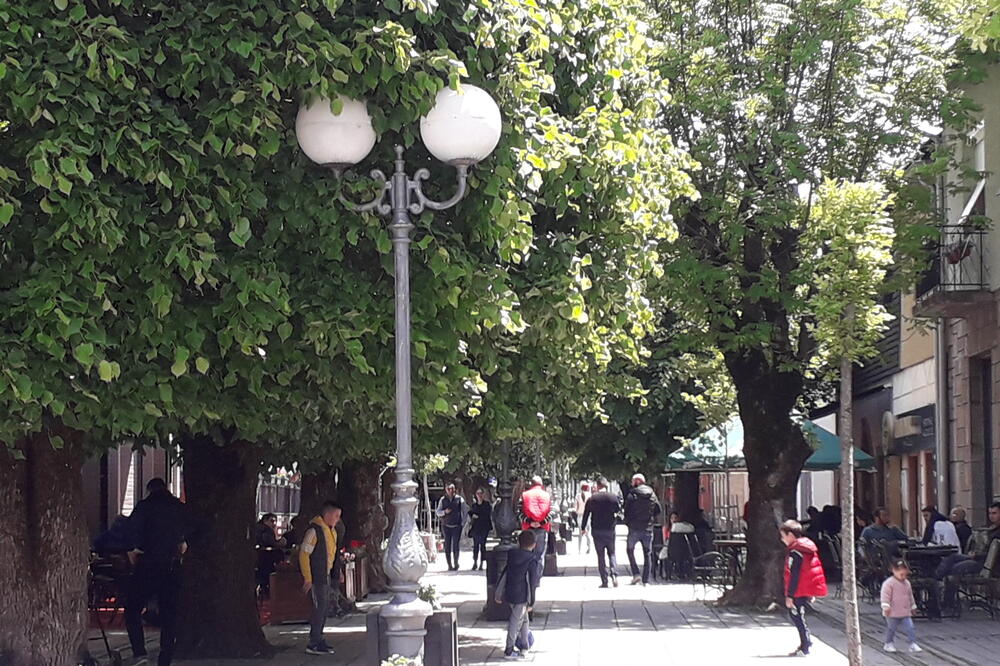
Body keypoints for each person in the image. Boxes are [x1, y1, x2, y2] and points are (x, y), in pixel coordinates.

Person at [124, 478, 192, 666]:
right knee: (170, 612)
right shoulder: (178, 507)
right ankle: (166, 655)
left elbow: (130, 532)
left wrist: (133, 551)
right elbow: (189, 532)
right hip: (171, 564)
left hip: (148, 563)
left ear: (150, 490)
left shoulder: (144, 507)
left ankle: (139, 652)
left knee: (132, 608)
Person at [298, 501, 342, 656]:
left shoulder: (332, 531)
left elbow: (332, 554)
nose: (337, 519)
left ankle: (319, 638)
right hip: (316, 576)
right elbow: (304, 554)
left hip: (326, 574)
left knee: (324, 608)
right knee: (319, 608)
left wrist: (337, 572)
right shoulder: (314, 531)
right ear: (327, 515)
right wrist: (308, 578)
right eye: (336, 516)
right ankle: (314, 642)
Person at [780, 519, 827, 658]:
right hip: (804, 588)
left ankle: (805, 645)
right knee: (799, 616)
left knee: (796, 617)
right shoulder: (807, 549)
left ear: (790, 535)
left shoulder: (796, 552)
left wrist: (789, 595)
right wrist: (811, 591)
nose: (782, 540)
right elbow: (810, 571)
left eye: (783, 536)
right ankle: (805, 642)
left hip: (797, 590)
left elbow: (794, 575)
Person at [501, 530, 543, 659]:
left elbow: (505, 574)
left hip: (510, 592)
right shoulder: (532, 560)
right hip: (523, 595)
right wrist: (532, 601)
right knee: (515, 621)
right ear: (534, 544)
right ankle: (509, 649)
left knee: (524, 620)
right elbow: (532, 582)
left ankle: (525, 645)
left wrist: (499, 592)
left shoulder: (512, 556)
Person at [581, 477, 621, 588]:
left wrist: (583, 528)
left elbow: (586, 514)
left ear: (597, 486)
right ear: (606, 485)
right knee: (612, 553)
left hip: (597, 530)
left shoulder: (592, 499)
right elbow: (618, 511)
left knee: (600, 555)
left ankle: (604, 580)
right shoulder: (613, 497)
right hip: (610, 529)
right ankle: (614, 575)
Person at [623, 473, 661, 586]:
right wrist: (651, 518)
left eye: (632, 481)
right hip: (648, 528)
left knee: (629, 550)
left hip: (634, 528)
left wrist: (628, 522)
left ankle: (636, 574)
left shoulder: (632, 494)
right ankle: (646, 580)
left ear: (637, 481)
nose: (631, 483)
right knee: (647, 553)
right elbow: (658, 509)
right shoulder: (652, 494)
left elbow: (626, 510)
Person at [881, 559, 922, 654]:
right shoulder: (889, 583)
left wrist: (913, 606)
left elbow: (910, 596)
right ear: (894, 571)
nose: (904, 577)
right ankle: (888, 643)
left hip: (905, 612)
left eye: (905, 574)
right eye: (901, 574)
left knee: (910, 627)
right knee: (891, 628)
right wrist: (886, 606)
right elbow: (885, 595)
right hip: (892, 612)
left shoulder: (907, 583)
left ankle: (912, 643)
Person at [520, 475, 552, 572]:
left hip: (527, 528)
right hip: (542, 528)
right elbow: (552, 512)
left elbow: (519, 511)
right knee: (539, 555)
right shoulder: (547, 495)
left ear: (531, 484)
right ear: (541, 484)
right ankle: (536, 576)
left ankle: (527, 575)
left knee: (526, 554)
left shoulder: (524, 495)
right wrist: (541, 522)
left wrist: (529, 522)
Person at [436, 483, 466, 571]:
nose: (450, 491)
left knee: (456, 545)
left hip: (457, 525)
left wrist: (463, 523)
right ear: (446, 490)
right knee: (447, 545)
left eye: (452, 489)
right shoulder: (442, 500)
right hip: (446, 526)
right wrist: (444, 512)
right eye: (448, 489)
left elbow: (465, 511)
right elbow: (438, 512)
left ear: (454, 489)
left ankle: (456, 563)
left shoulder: (459, 499)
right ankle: (449, 565)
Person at [255, 513, 287, 597]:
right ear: (265, 520)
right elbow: (270, 543)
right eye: (272, 521)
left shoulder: (258, 529)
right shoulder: (266, 530)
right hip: (266, 559)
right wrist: (279, 543)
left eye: (275, 521)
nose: (274, 524)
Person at [468, 488, 493, 571]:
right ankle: (475, 562)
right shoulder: (474, 505)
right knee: (475, 545)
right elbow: (471, 512)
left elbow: (487, 514)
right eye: (478, 493)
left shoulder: (487, 504)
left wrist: (478, 516)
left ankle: (482, 563)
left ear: (483, 494)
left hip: (484, 527)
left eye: (481, 493)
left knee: (482, 545)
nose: (479, 495)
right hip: (476, 527)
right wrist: (472, 515)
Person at [574, 482, 592, 554]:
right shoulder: (590, 495)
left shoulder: (578, 495)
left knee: (580, 533)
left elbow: (575, 506)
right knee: (588, 533)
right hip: (588, 516)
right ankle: (589, 548)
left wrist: (577, 511)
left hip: (580, 516)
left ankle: (579, 549)